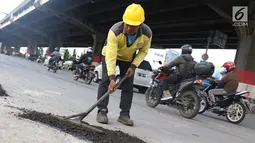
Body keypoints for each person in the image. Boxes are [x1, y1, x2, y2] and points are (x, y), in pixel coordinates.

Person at [96, 3, 152, 126]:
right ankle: (102, 111)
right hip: (110, 55)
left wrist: (133, 66)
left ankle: (124, 115)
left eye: (132, 26)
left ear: (140, 24)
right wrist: (112, 78)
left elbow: (144, 51)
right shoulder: (115, 31)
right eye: (127, 24)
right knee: (105, 81)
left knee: (128, 86)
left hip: (127, 59)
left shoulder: (147, 34)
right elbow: (111, 55)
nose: (128, 28)